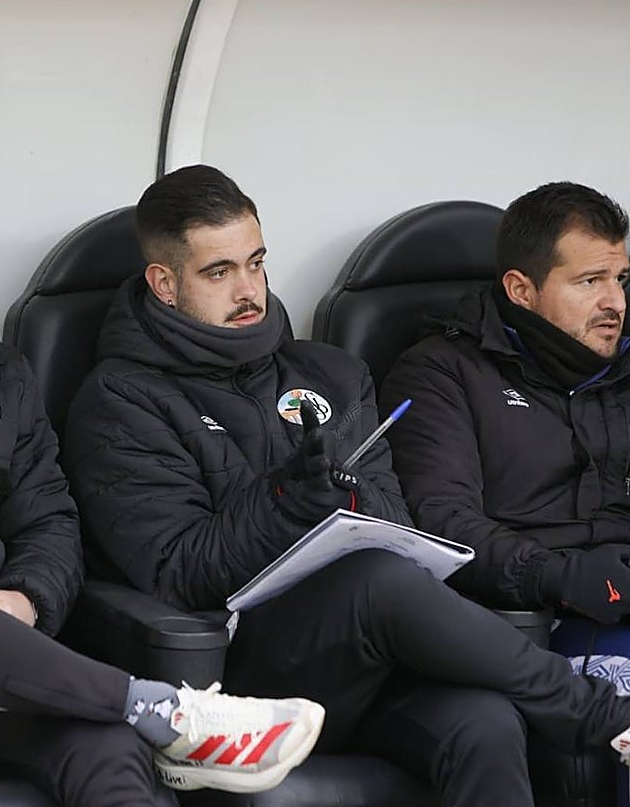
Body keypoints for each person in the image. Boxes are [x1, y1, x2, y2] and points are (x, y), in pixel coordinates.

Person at [62, 164, 630, 807]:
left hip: (367, 657)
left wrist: (345, 499)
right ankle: (598, 714)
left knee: (485, 723)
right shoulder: (120, 400)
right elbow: (177, 570)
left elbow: (398, 522)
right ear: (165, 284)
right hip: (235, 672)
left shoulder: (331, 373)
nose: (248, 290)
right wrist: (284, 501)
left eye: (256, 263)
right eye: (218, 273)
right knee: (376, 580)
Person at [0, 166, 326, 805]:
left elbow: (48, 518)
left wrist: (27, 596)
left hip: (2, 668)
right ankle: (162, 709)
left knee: (108, 749)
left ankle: (143, 717)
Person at [381, 183, 630, 679]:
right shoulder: (441, 373)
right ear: (521, 290)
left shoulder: (622, 368)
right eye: (590, 281)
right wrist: (560, 576)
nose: (615, 302)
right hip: (526, 620)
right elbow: (442, 521)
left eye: (621, 279)